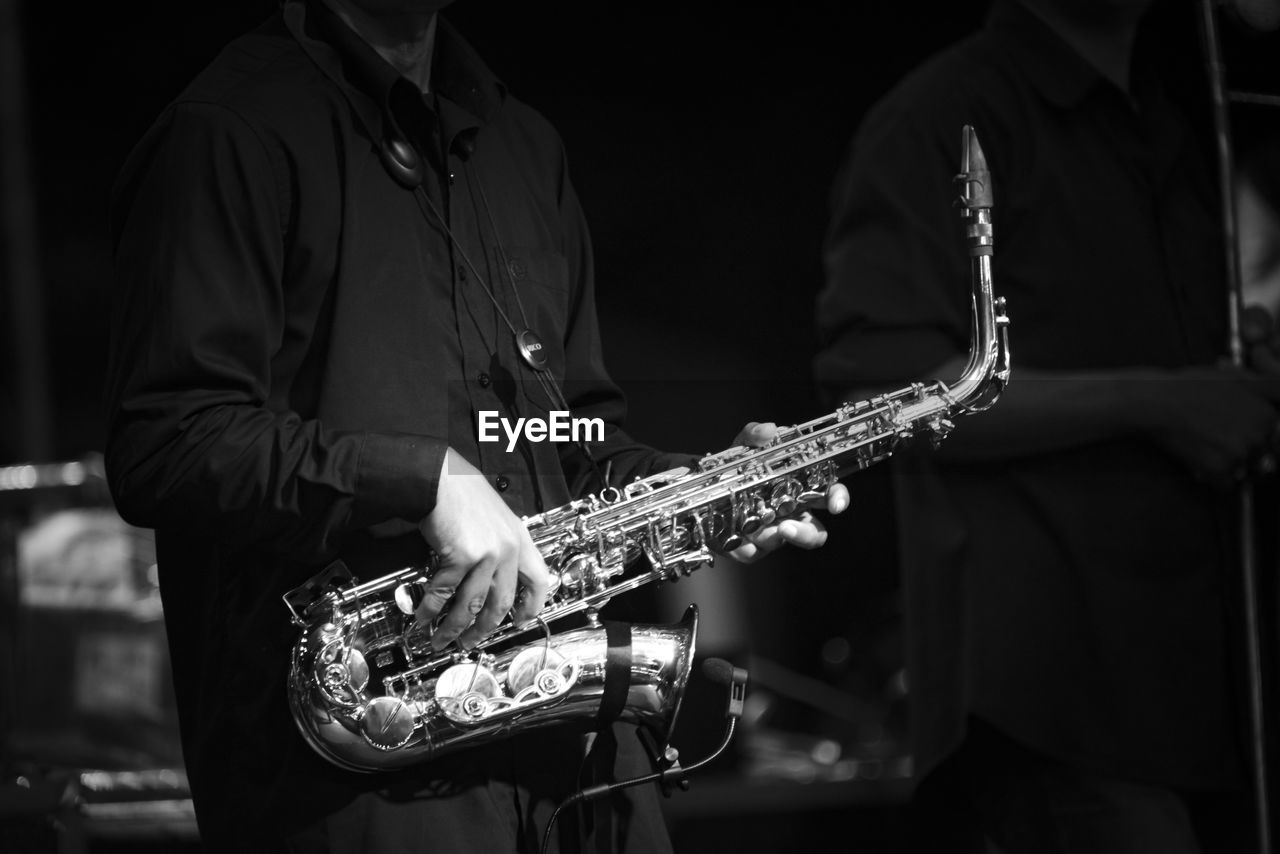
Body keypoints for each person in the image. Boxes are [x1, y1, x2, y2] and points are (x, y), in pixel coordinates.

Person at [103, 0, 848, 851]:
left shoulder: (521, 144)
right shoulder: (226, 131)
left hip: (579, 760)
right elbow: (164, 443)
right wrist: (427, 478)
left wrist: (700, 487)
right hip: (361, 772)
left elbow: (566, 444)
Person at [814, 0, 1280, 851]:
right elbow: (881, 389)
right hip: (1061, 706)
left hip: (1196, 683)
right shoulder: (942, 111)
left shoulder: (1177, 114)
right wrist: (1164, 400)